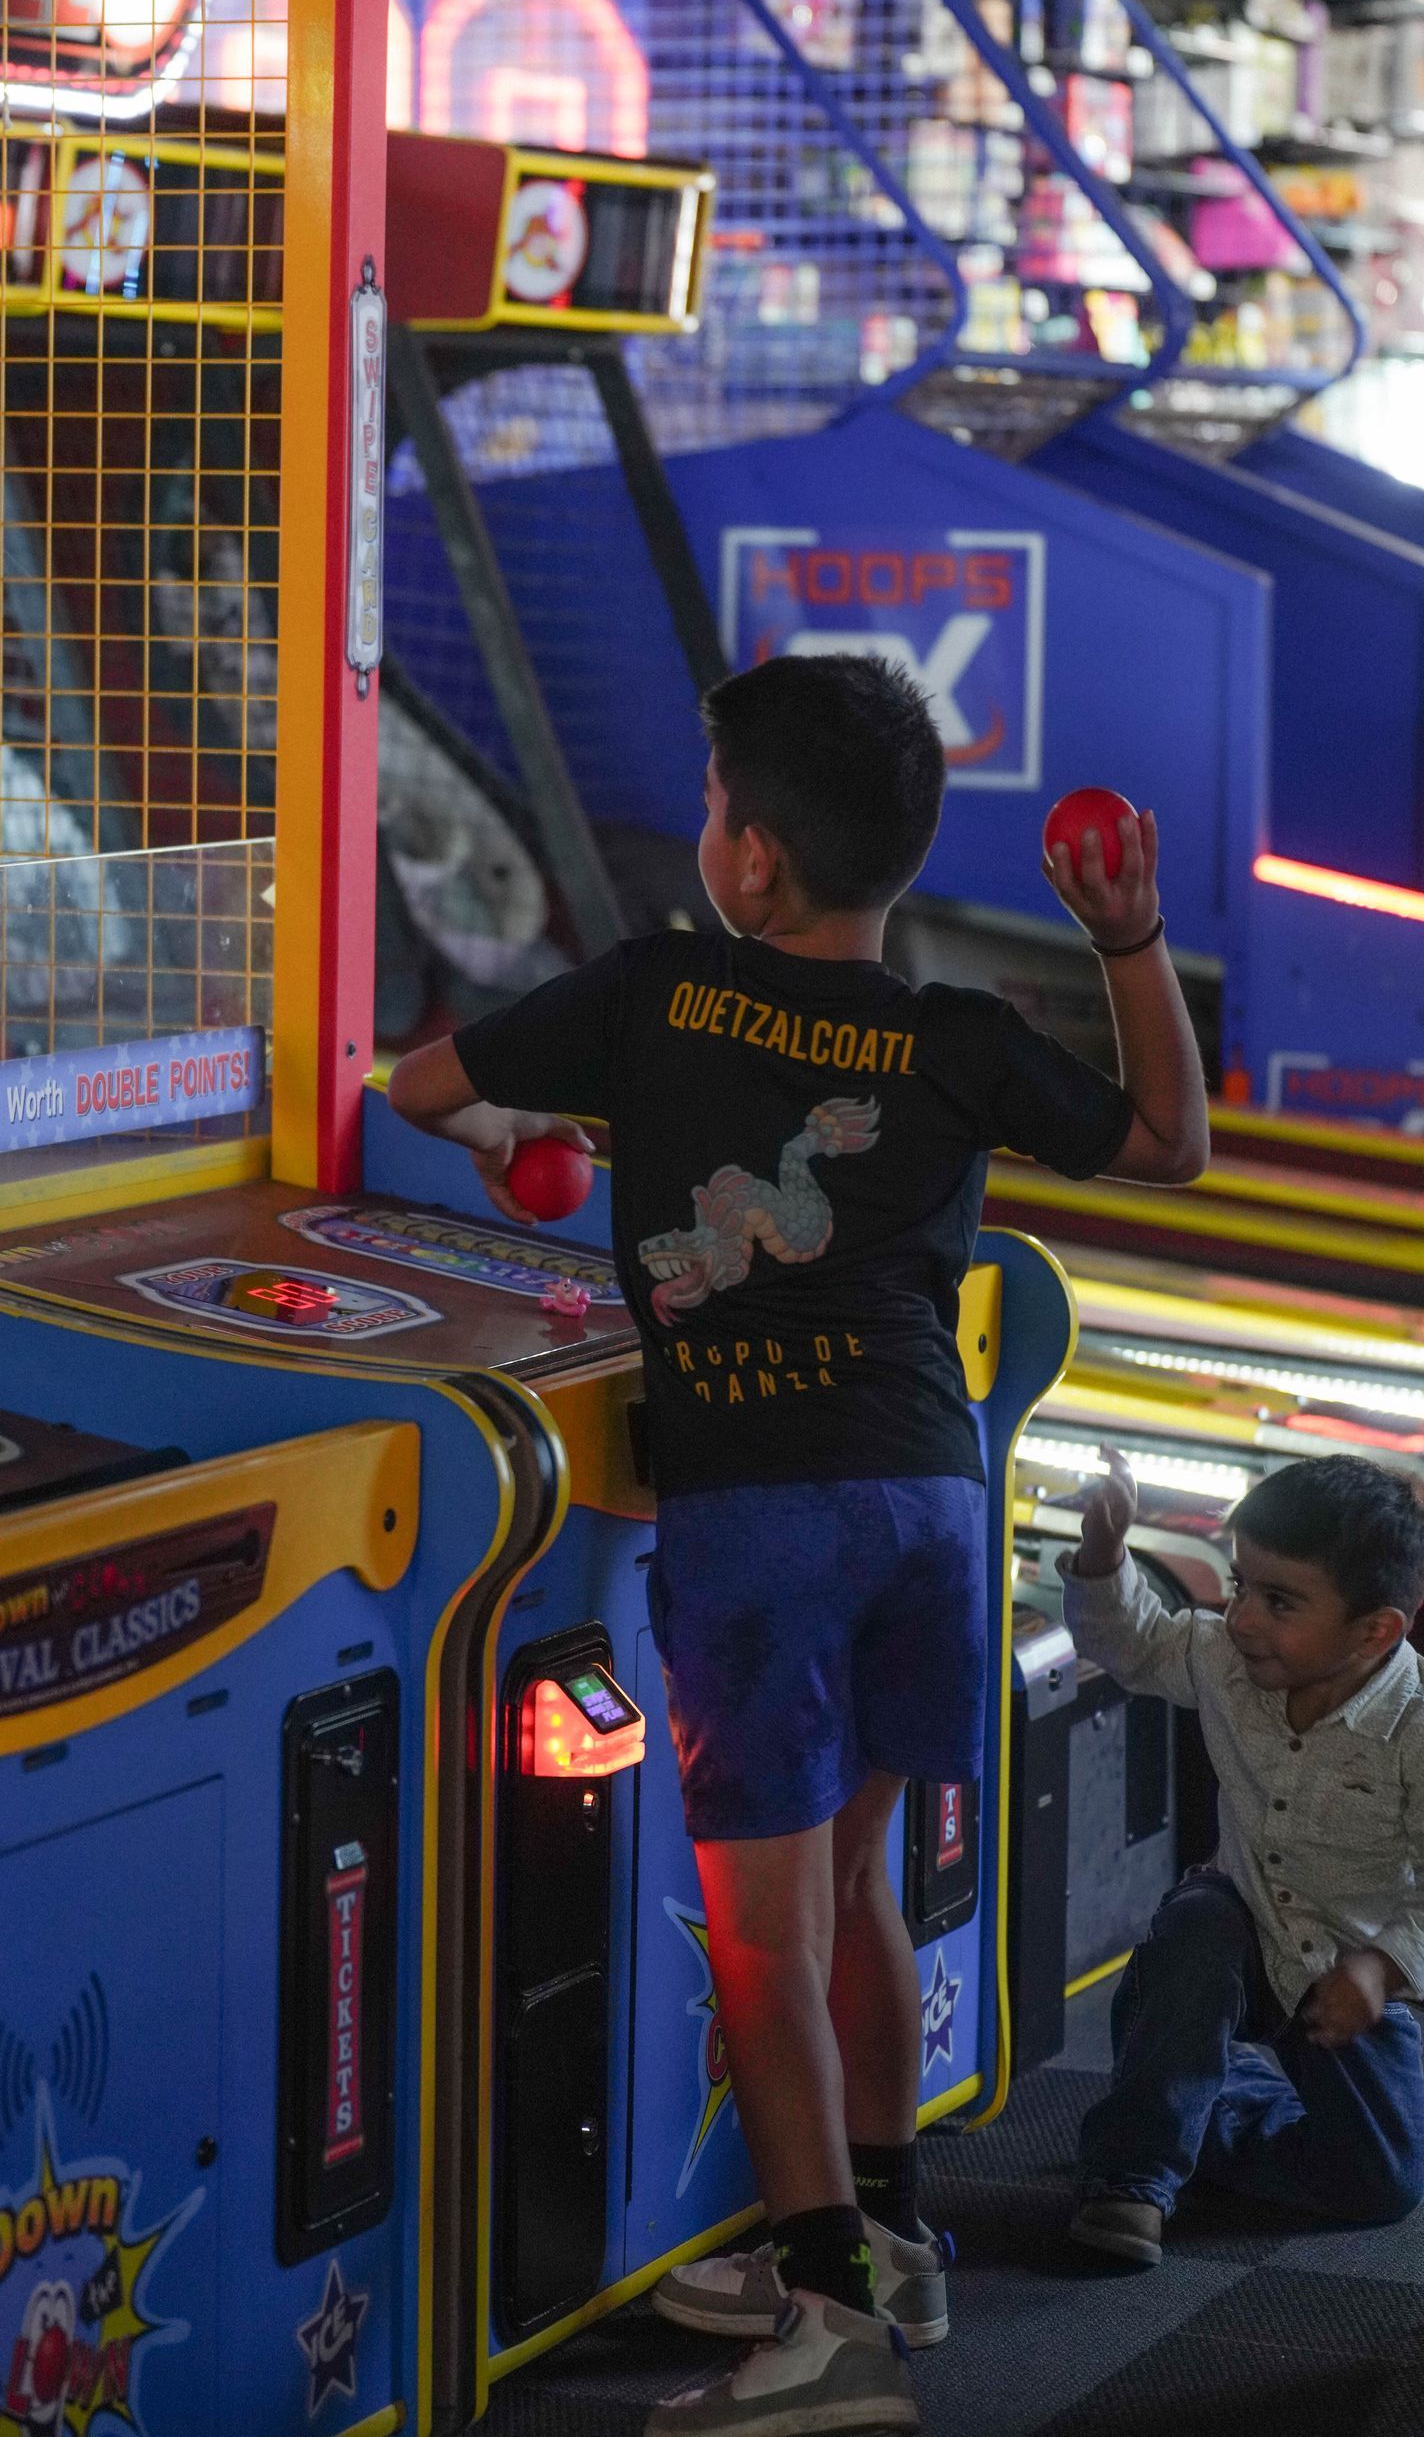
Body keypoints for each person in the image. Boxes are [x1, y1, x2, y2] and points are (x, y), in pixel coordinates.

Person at [387, 653, 1210, 2437]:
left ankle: (828, 2330)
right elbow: (1166, 1143)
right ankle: (883, 2235)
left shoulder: (653, 994)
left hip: (760, 1513)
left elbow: (415, 1079)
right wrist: (1127, 936)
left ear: (748, 858)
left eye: (711, 809)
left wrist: (528, 1125)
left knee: (757, 1935)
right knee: (848, 1888)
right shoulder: (954, 1035)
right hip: (927, 1494)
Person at [1062, 1450, 1424, 2265]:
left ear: (1378, 1630)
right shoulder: (1226, 1659)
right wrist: (1105, 1552)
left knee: (1381, 2182)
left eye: (1280, 1600)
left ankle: (1200, 2102)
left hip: (1345, 1975)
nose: (1243, 1618)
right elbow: (1132, 1640)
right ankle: (1133, 2176)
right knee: (1199, 1920)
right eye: (1239, 1586)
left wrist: (1381, 1969)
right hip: (1235, 1934)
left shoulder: (1417, 1728)